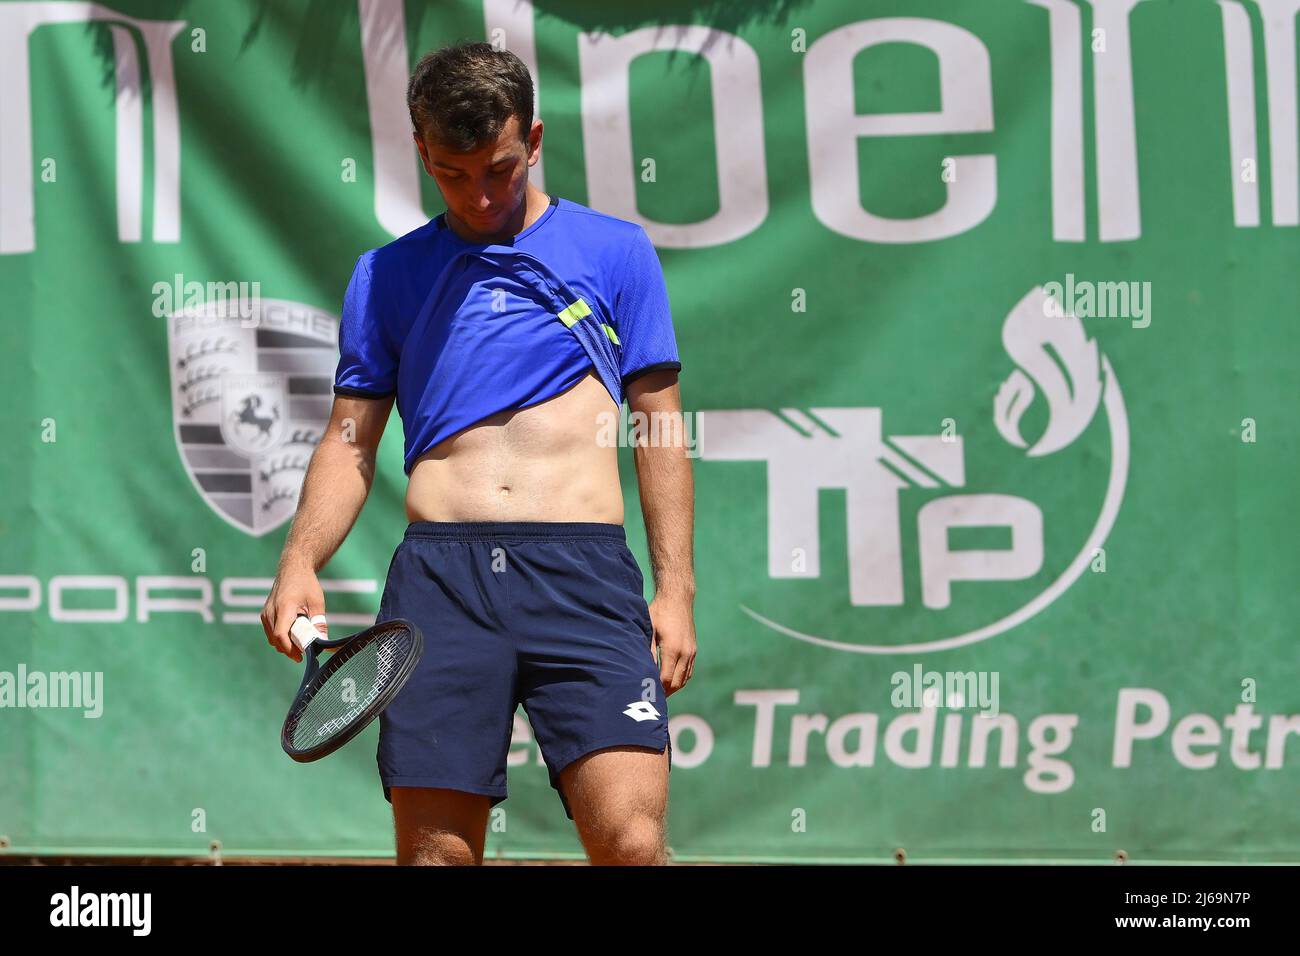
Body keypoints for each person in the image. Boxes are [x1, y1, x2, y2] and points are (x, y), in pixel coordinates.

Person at [260, 41, 696, 866]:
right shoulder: (385, 276)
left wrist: (676, 590)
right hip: (441, 584)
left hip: (584, 575)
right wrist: (299, 557)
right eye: (454, 174)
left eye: (500, 168)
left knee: (632, 844)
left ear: (533, 140)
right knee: (438, 860)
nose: (482, 195)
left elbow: (661, 429)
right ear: (423, 153)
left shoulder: (616, 253)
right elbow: (350, 443)